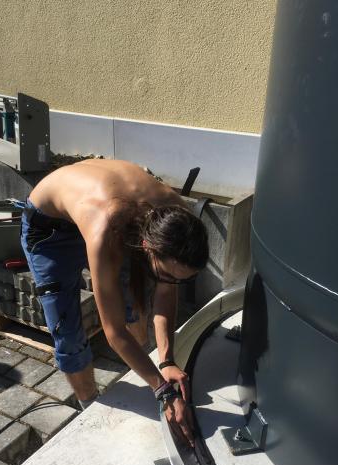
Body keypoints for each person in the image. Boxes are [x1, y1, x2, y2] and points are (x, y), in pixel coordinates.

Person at [21, 159, 209, 447]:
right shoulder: (105, 235)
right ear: (148, 247)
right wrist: (164, 392)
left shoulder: (178, 217)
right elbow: (114, 332)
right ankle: (91, 408)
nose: (173, 281)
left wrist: (167, 361)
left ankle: (141, 367)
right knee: (67, 330)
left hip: (113, 210)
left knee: (134, 305)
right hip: (50, 226)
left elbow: (166, 291)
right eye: (169, 274)